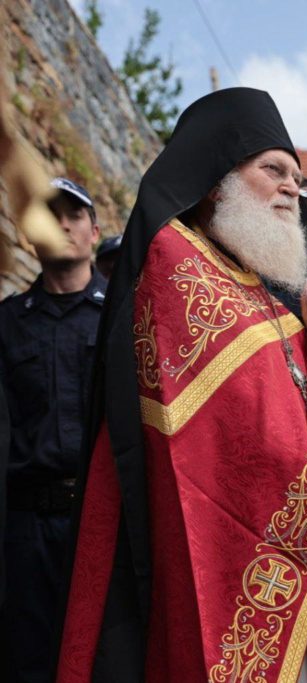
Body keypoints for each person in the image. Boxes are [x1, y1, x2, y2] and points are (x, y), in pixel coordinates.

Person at [56, 88, 307, 682]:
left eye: (297, 177)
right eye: (273, 170)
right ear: (216, 181)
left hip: (303, 569)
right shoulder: (175, 262)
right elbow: (240, 427)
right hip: (235, 565)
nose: (292, 188)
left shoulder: (254, 285)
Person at [0, 177, 104, 682]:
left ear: (94, 231)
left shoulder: (123, 316)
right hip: (26, 531)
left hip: (103, 521)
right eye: (50, 215)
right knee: (28, 662)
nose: (63, 225)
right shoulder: (7, 324)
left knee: (106, 658)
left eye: (75, 215)